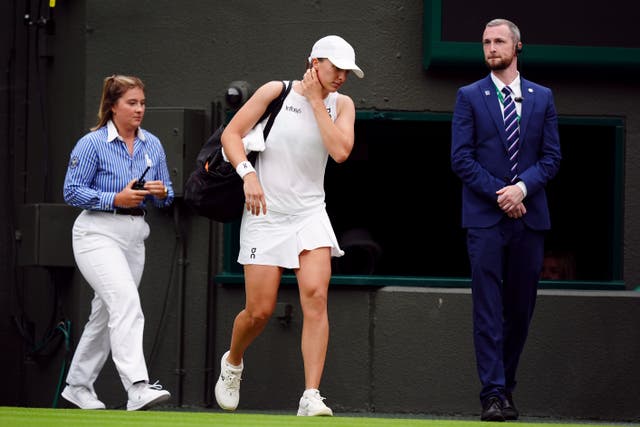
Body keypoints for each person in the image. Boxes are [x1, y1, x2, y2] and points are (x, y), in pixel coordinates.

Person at [215, 35, 364, 416]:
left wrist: (317, 103)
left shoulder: (342, 105)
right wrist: (248, 174)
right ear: (314, 62)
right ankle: (233, 361)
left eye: (347, 71)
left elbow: (341, 151)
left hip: (311, 214)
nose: (342, 77)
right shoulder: (274, 92)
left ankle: (310, 395)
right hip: (265, 215)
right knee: (259, 312)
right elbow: (231, 135)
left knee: (316, 297)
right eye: (336, 68)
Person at [451, 19, 561, 422]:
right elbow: (461, 158)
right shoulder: (469, 96)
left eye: (499, 41)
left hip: (530, 219)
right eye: (486, 42)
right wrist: (503, 192)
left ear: (517, 47)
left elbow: (551, 158)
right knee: (487, 309)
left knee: (519, 310)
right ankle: (492, 395)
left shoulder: (542, 97)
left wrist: (522, 190)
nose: (491, 47)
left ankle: (507, 387)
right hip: (484, 218)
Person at [61, 74, 174, 411]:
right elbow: (71, 191)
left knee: (105, 312)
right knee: (126, 304)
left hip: (134, 235)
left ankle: (78, 385)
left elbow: (165, 195)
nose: (140, 109)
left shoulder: (151, 143)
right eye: (132, 103)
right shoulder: (91, 143)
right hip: (96, 233)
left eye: (142, 103)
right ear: (112, 106)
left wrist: (162, 192)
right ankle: (137, 387)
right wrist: (115, 198)